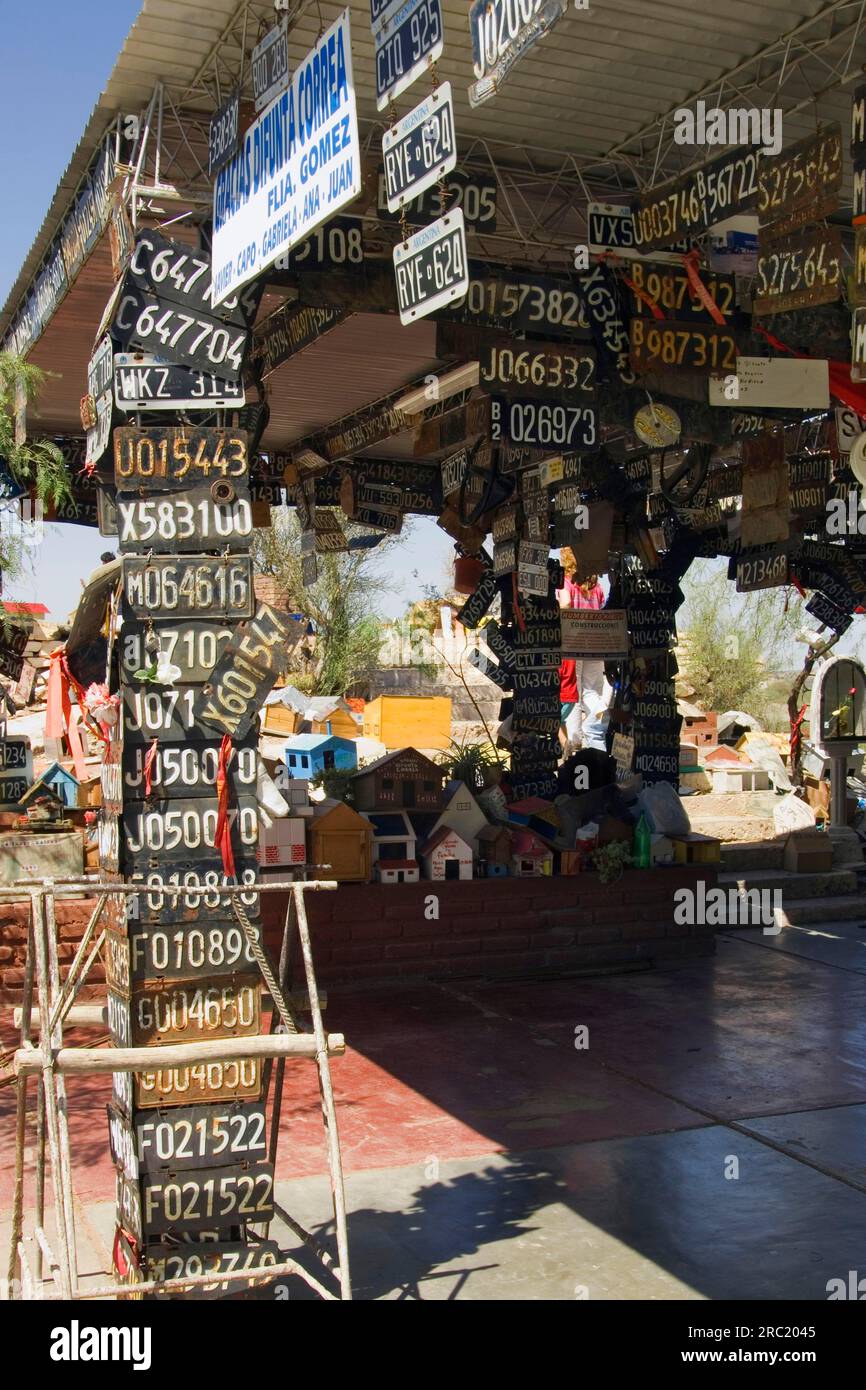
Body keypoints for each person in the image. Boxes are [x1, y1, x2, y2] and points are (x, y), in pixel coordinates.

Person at [558, 550, 608, 747]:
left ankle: (575, 741)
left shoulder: (566, 583)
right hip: (595, 644)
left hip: (573, 645)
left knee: (574, 693)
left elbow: (565, 604)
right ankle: (597, 729)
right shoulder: (597, 587)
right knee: (593, 690)